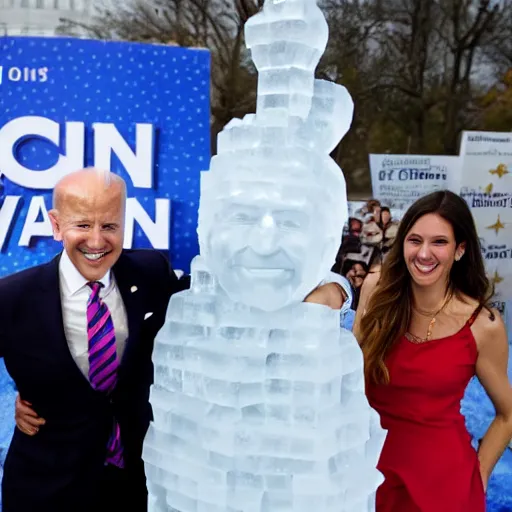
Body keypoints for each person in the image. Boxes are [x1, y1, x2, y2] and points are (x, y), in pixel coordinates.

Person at [7, 168, 346, 512]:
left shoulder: (150, 271)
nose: (96, 241)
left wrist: (336, 289)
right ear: (55, 224)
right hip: (47, 488)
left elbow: (233, 295)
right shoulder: (11, 298)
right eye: (82, 225)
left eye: (109, 226)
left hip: (137, 485)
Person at [354, 190, 512, 512]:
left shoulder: (483, 325)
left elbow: (507, 415)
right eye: (415, 240)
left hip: (445, 487)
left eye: (439, 242)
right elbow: (349, 376)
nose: (424, 253)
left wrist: (476, 476)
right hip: (366, 474)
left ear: (460, 250)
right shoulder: (376, 290)